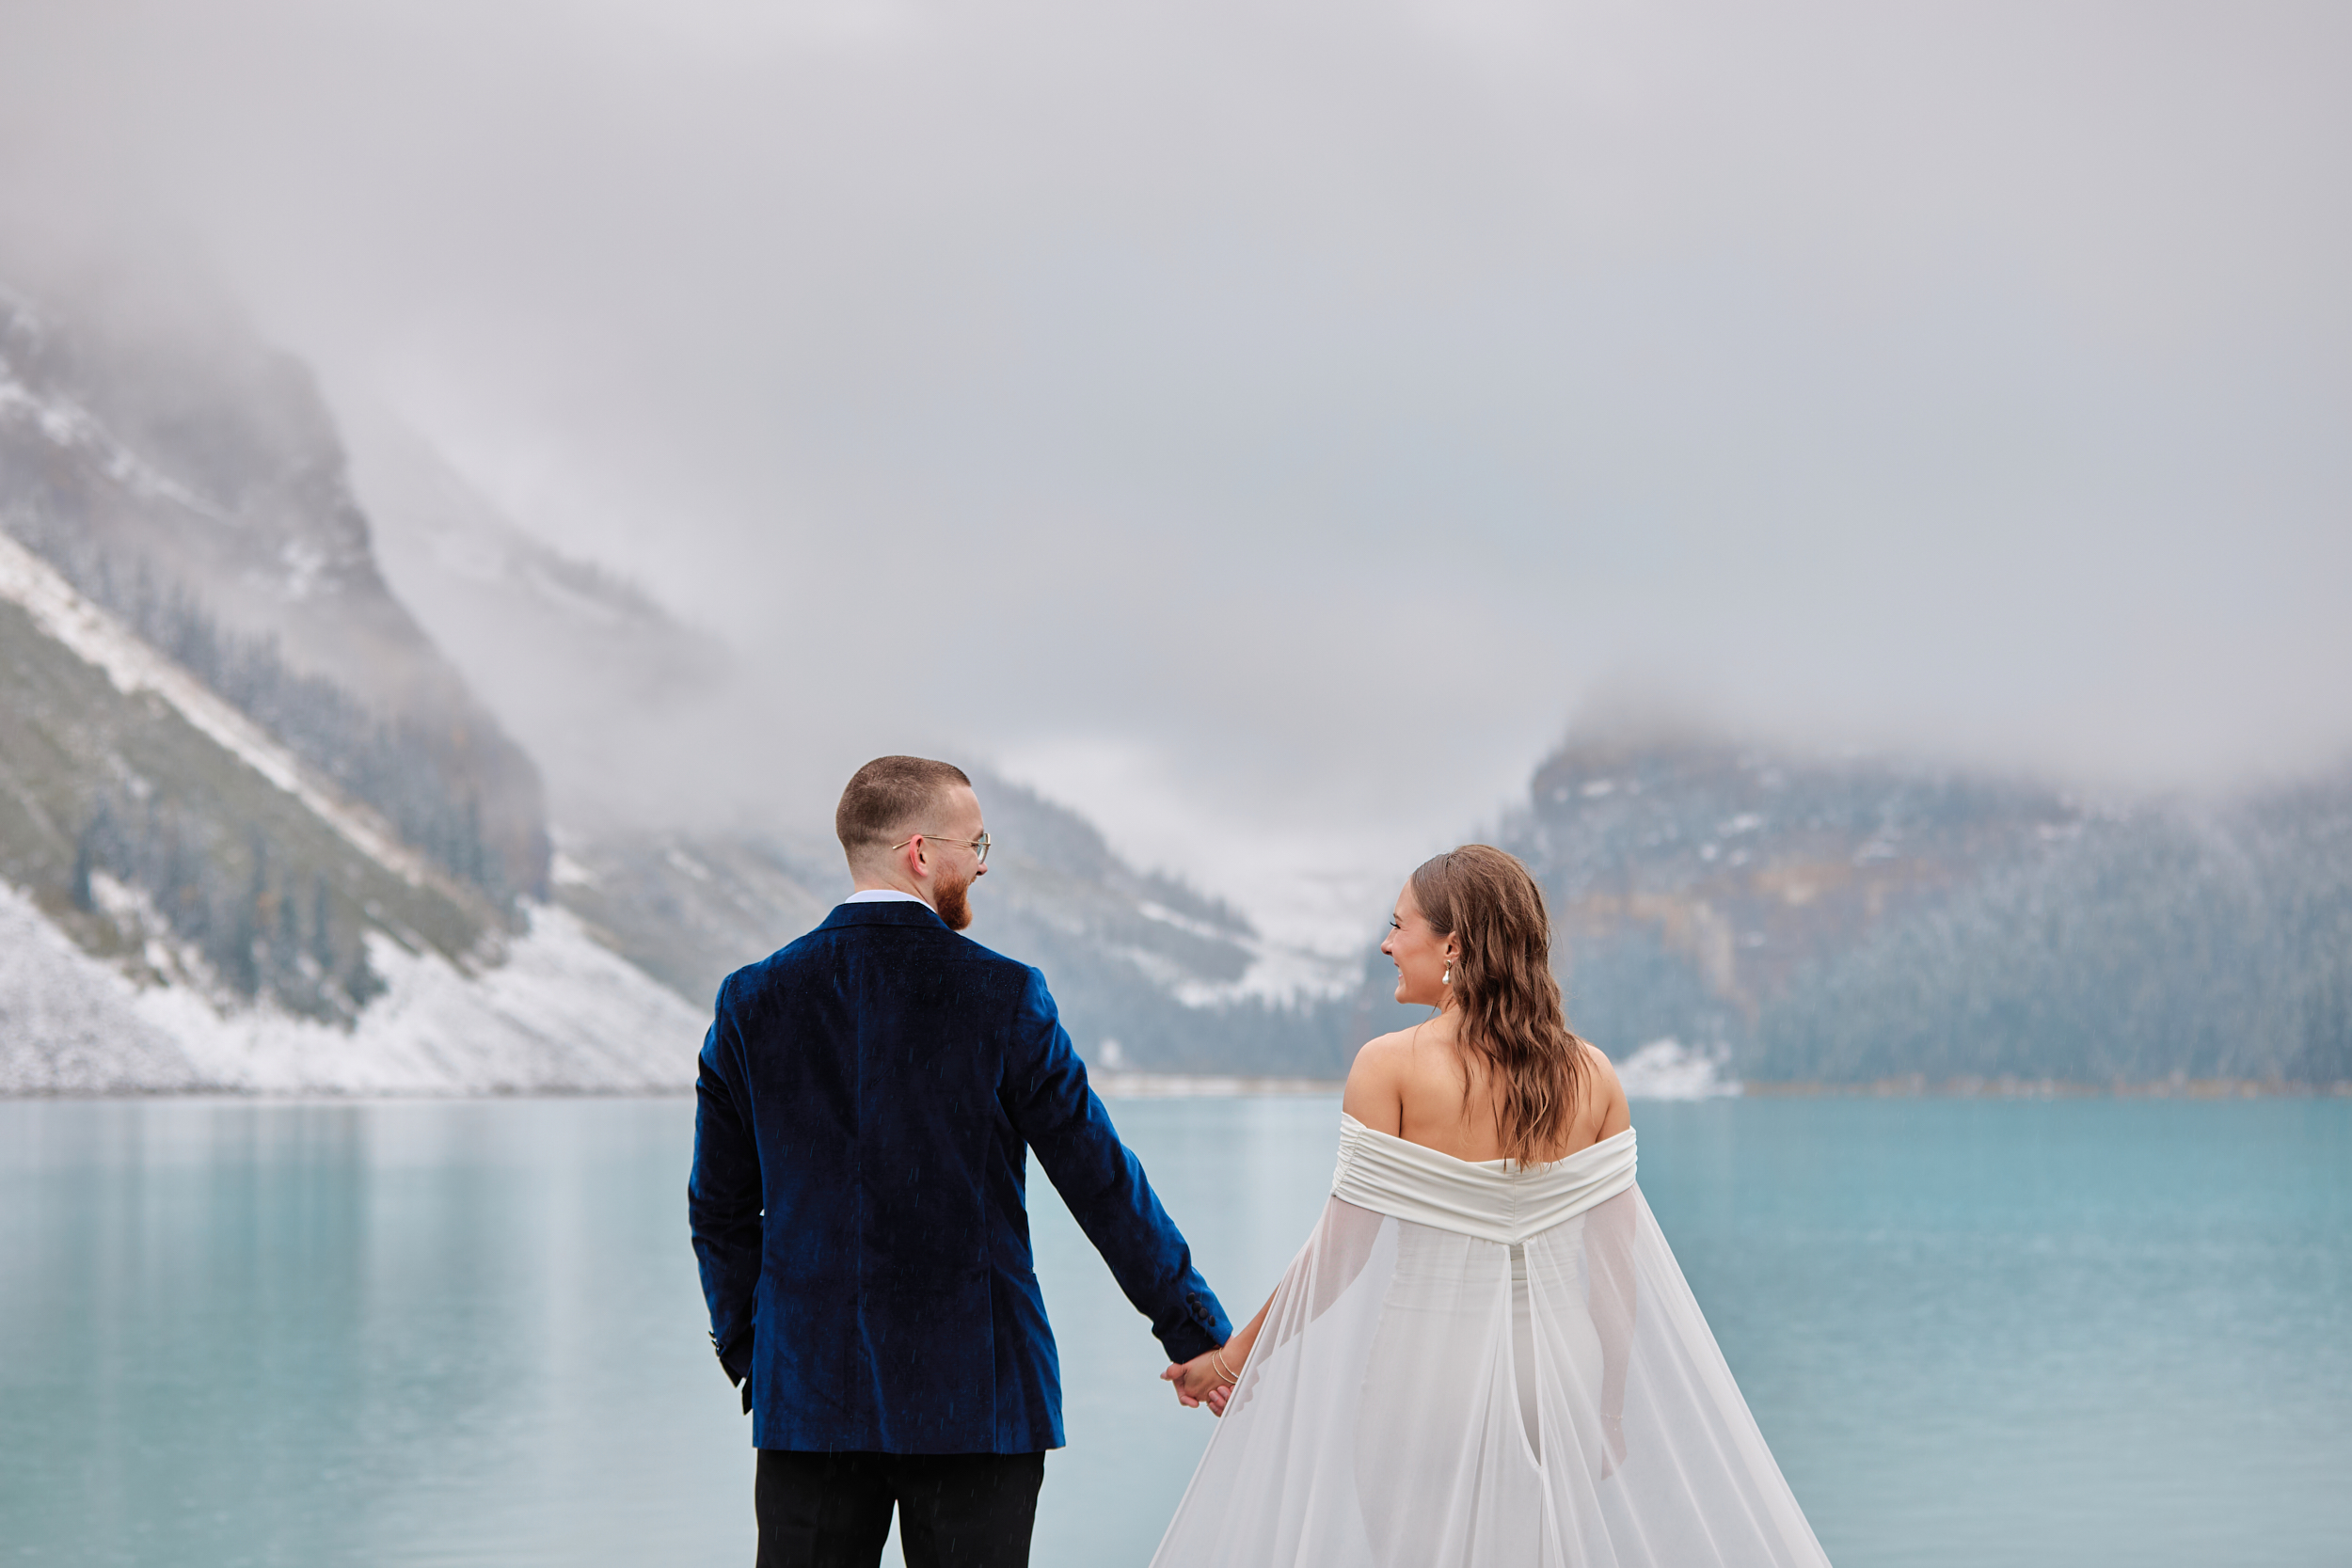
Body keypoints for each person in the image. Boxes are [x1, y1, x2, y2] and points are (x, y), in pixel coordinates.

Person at [1151, 846, 1835, 1567]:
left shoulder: (1390, 1066)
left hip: (1426, 1375)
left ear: (1452, 944)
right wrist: (1606, 1407)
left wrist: (1229, 1359)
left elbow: (1338, 1258)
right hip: (1558, 1376)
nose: (1386, 944)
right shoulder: (1593, 1074)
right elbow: (1614, 1272)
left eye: (1398, 925)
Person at [690, 755, 1232, 1568]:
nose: (981, 863)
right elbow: (1099, 1179)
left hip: (809, 1396)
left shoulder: (750, 1000)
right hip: (976, 1399)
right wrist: (1192, 1330)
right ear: (919, 851)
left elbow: (720, 1210)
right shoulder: (1004, 995)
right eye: (975, 843)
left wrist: (756, 1353)